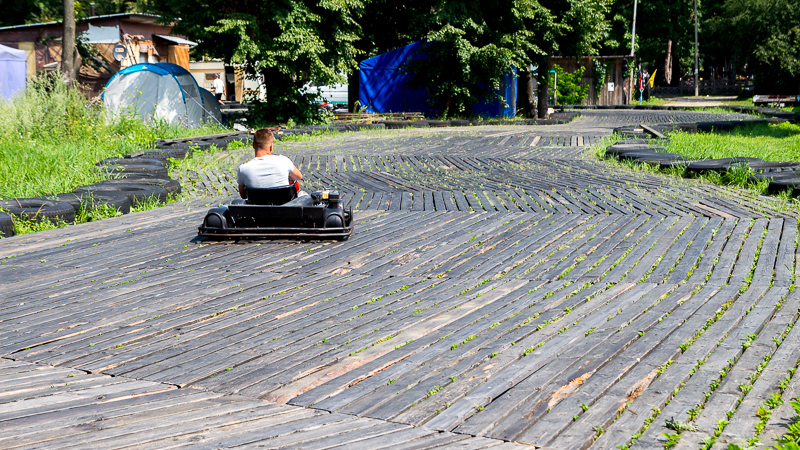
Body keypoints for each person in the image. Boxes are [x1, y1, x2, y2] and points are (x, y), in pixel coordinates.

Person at [237, 128, 307, 201]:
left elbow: (243, 196)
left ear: (253, 145)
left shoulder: (243, 169)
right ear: (271, 146)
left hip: (257, 211)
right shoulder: (283, 161)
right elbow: (299, 176)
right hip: (284, 210)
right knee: (303, 194)